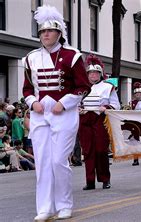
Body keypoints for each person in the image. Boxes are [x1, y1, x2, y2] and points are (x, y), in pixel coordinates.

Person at [22, 5, 91, 220]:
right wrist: (33, 102)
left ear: (59, 32)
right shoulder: (30, 58)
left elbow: (83, 86)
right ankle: (44, 208)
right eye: (42, 32)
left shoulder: (72, 55)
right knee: (42, 163)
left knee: (58, 161)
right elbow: (26, 88)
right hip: (40, 114)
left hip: (64, 114)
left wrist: (66, 102)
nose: (45, 35)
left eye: (49, 31)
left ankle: (63, 204)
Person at [79, 54, 119, 190]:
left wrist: (105, 107)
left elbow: (116, 105)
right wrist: (78, 109)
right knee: (88, 151)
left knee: (101, 150)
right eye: (90, 73)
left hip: (100, 120)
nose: (93, 75)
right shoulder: (81, 87)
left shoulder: (108, 87)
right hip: (85, 121)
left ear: (100, 74)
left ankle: (105, 179)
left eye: (95, 73)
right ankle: (90, 180)